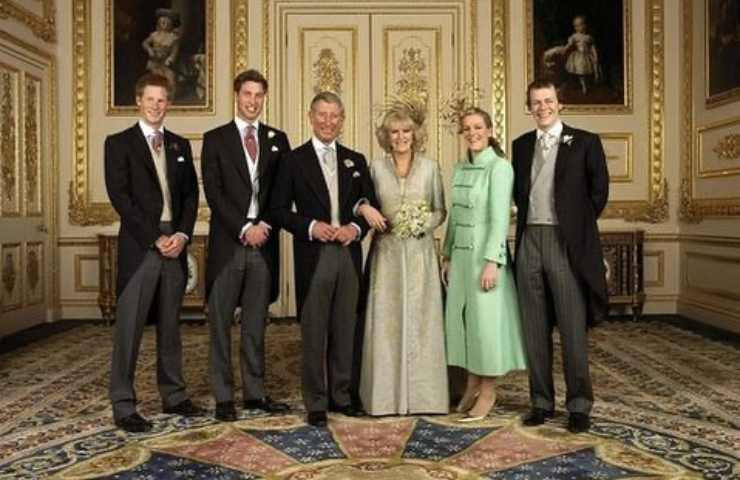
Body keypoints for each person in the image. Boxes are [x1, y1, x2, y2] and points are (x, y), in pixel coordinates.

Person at [271, 91, 377, 427]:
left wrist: (355, 229)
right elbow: (277, 210)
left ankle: (341, 397)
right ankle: (316, 401)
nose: (328, 122)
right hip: (313, 254)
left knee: (346, 328)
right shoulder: (293, 160)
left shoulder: (355, 160)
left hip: (348, 253)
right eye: (322, 115)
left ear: (342, 120)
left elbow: (370, 206)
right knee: (315, 330)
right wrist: (311, 227)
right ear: (310, 117)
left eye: (335, 116)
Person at [104, 73, 203, 432]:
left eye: (162, 100)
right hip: (141, 246)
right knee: (129, 328)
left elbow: (190, 195)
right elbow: (121, 198)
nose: (156, 106)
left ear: (169, 104)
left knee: (171, 326)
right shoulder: (119, 144)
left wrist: (182, 234)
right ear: (138, 101)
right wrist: (154, 238)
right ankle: (123, 405)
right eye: (150, 99)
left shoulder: (179, 145)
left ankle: (174, 395)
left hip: (174, 243)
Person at [512, 80, 609, 434]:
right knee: (534, 329)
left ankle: (579, 405)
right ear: (529, 107)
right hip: (529, 240)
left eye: (548, 100)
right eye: (536, 102)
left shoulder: (585, 142)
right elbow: (519, 194)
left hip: (564, 241)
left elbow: (599, 193)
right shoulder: (521, 145)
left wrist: (574, 226)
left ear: (560, 104)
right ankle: (540, 402)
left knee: (571, 329)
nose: (543, 107)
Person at [201, 70, 291, 422]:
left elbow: (282, 191)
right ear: (236, 95)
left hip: (263, 244)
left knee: (255, 325)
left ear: (264, 98)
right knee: (220, 324)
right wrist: (243, 228)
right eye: (247, 94)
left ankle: (255, 394)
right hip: (229, 244)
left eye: (258, 95)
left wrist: (263, 225)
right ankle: (224, 396)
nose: (252, 101)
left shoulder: (277, 139)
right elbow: (214, 192)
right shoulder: (215, 139)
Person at [357, 103, 449, 416]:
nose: (400, 137)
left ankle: (426, 399)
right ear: (386, 136)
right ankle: (384, 399)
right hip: (387, 257)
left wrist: (424, 223)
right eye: (394, 132)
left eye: (406, 131)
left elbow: (440, 210)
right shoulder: (375, 168)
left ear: (415, 134)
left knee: (422, 323)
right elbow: (364, 203)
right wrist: (366, 210)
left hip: (421, 256)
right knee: (387, 323)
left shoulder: (431, 168)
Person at [440, 107, 527, 422]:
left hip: (485, 257)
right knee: (465, 324)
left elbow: (500, 219)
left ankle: (488, 391)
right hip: (461, 257)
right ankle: (472, 383)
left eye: (478, 127)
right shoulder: (461, 167)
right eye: (467, 128)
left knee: (486, 327)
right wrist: (447, 255)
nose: (472, 133)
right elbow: (454, 216)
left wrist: (493, 262)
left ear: (489, 131)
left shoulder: (500, 168)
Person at [142, 9, 181, 99]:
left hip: (165, 63)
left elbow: (174, 52)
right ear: (159, 23)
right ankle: (156, 96)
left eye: (167, 22)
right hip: (154, 62)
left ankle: (169, 97)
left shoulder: (174, 38)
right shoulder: (154, 35)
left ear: (171, 24)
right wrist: (149, 49)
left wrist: (170, 60)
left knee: (170, 78)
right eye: (162, 22)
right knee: (156, 78)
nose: (164, 24)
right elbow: (144, 43)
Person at [564, 15, 601, 95]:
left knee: (587, 72)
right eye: (575, 26)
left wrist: (595, 56)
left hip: (586, 56)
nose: (577, 28)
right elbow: (569, 45)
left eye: (580, 25)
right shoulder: (574, 36)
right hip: (578, 56)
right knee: (580, 72)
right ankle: (583, 85)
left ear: (585, 25)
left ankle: (588, 83)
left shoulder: (588, 37)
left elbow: (592, 48)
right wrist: (565, 49)